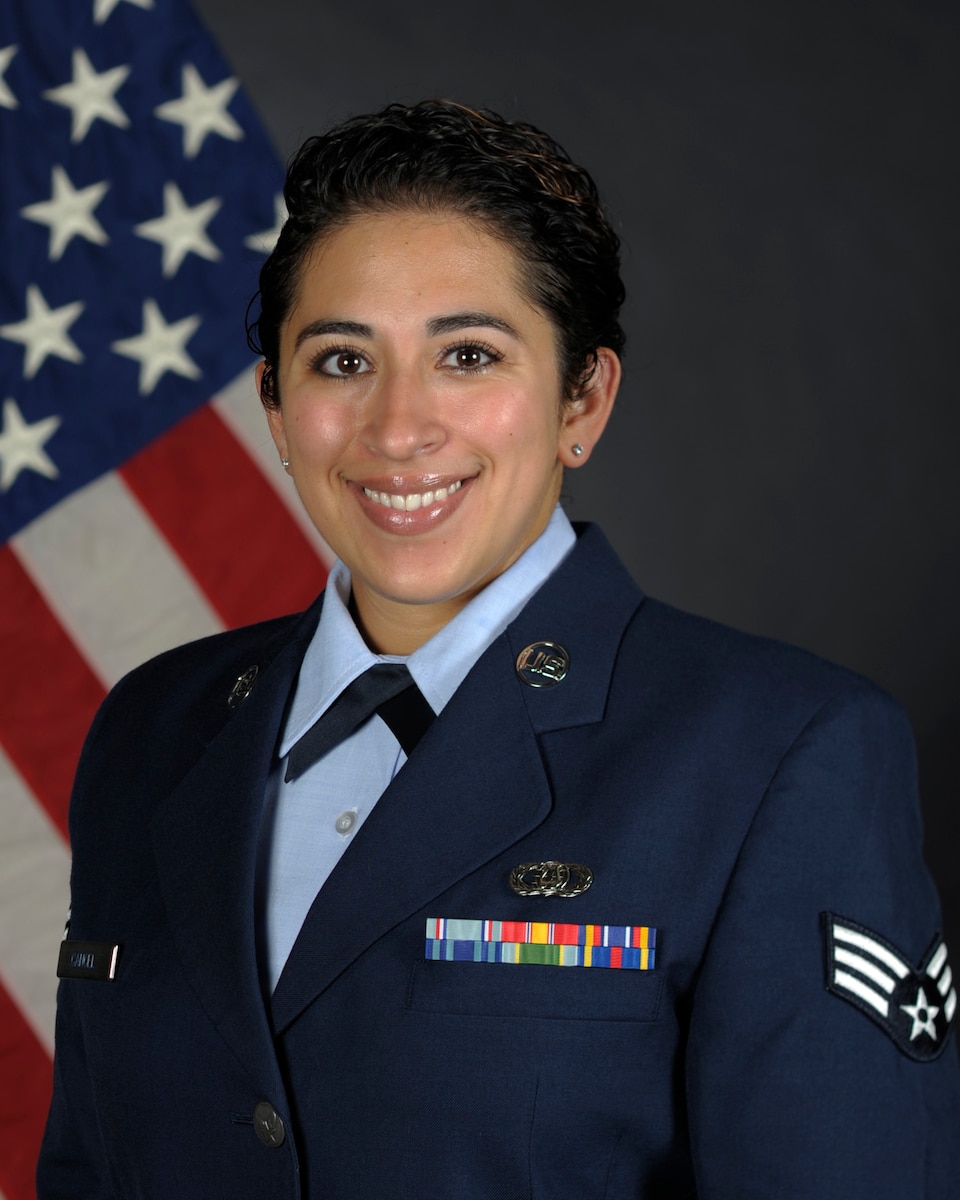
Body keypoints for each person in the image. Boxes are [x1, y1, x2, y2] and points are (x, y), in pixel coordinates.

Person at [38, 100, 959, 1198]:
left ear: (583, 399)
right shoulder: (155, 728)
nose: (397, 428)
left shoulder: (777, 754)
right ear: (277, 413)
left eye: (467, 354)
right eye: (340, 361)